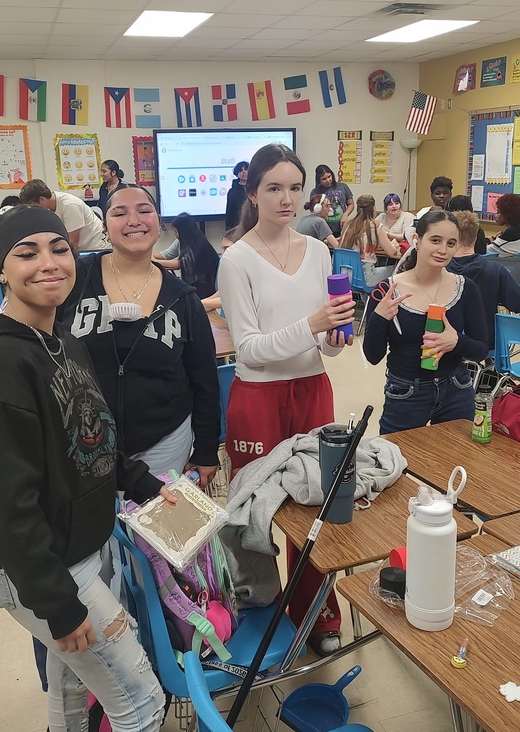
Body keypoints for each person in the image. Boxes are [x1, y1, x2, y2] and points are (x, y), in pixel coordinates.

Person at [0, 206, 171, 732]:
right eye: (26, 253)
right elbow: (6, 504)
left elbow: (91, 435)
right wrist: (57, 606)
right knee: (141, 704)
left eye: (59, 249)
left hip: (82, 547)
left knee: (72, 688)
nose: (48, 263)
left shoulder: (60, 339)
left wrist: (143, 484)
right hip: (51, 570)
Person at [219, 144, 355, 658]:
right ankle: (258, 607)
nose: (286, 198)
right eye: (273, 187)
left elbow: (323, 342)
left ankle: (319, 611)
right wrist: (313, 325)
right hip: (259, 396)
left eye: (295, 187)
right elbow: (249, 350)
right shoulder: (236, 259)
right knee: (255, 509)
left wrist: (334, 337)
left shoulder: (318, 251)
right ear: (251, 192)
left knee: (314, 505)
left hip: (312, 388)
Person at [61, 187, 220, 487]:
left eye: (144, 210)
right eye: (119, 213)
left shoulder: (183, 298)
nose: (134, 219)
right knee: (96, 530)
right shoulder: (75, 278)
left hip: (163, 442)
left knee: (156, 530)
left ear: (159, 223)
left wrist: (207, 449)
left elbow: (205, 380)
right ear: (105, 226)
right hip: (83, 441)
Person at [363, 209, 488, 435]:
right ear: (417, 240)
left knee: (456, 462)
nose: (443, 250)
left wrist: (457, 341)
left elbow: (481, 349)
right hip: (406, 392)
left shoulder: (466, 288)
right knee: (398, 461)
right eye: (435, 240)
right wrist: (379, 319)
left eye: (451, 243)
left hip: (456, 389)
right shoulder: (388, 290)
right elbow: (373, 356)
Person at [447, 209, 520, 349]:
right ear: (476, 236)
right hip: (482, 343)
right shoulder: (494, 270)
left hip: (444, 342)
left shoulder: (440, 269)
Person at [20, 179, 109, 251]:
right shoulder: (48, 208)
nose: (33, 209)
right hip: (82, 248)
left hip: (96, 247)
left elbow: (73, 242)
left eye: (32, 205)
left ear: (41, 199)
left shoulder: (69, 205)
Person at [338, 194, 402, 287]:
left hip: (347, 276)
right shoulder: (375, 226)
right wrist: (394, 245)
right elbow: (392, 252)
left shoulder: (347, 224)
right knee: (399, 269)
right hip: (366, 278)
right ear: (373, 209)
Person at [486, 193, 520, 257]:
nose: (496, 216)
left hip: (511, 265)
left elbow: (486, 251)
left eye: (498, 212)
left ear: (506, 215)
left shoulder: (510, 234)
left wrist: (487, 241)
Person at [313, 164, 354, 236]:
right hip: (324, 228)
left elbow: (351, 204)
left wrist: (345, 215)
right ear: (319, 180)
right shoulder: (315, 192)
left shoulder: (343, 186)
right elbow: (313, 211)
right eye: (324, 179)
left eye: (329, 176)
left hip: (341, 226)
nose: (328, 180)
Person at [224, 161, 249, 232]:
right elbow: (229, 211)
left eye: (246, 169)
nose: (244, 172)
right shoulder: (233, 191)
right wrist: (228, 228)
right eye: (241, 170)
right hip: (238, 226)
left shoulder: (255, 188)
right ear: (237, 174)